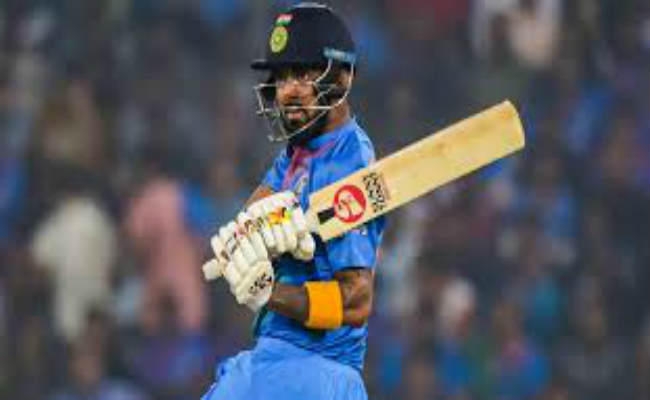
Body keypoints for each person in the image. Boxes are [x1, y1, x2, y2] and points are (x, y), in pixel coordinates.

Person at [201, 3, 385, 399]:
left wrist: (270, 294)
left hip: (318, 371)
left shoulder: (349, 161)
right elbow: (250, 218)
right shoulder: (300, 151)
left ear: (342, 76)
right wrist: (253, 234)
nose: (288, 92)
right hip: (272, 361)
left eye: (303, 74)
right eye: (282, 77)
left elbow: (356, 301)